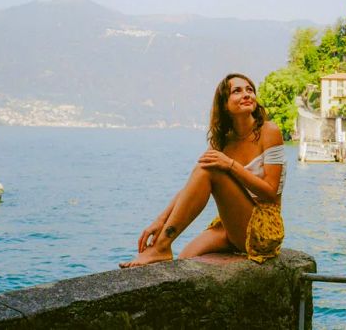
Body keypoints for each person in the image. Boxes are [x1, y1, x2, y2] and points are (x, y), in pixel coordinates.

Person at [119, 73, 286, 268]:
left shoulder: (269, 131)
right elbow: (194, 184)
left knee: (210, 169)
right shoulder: (223, 142)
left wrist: (230, 165)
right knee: (183, 261)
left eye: (250, 90)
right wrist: (160, 220)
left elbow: (271, 192)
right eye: (237, 91)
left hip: (263, 228)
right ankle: (161, 247)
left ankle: (162, 247)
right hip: (230, 225)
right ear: (224, 104)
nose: (246, 94)